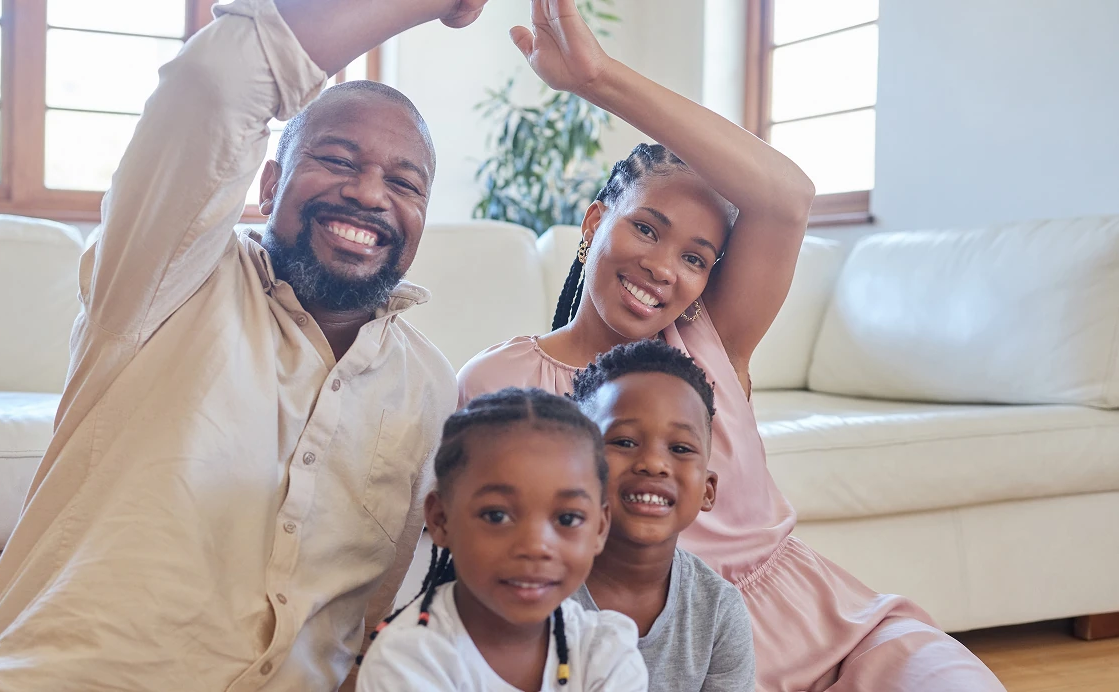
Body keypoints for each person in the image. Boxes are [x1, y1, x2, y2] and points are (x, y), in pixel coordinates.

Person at [0, 0, 494, 690]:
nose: (368, 194)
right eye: (336, 160)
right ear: (268, 185)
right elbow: (213, 86)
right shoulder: (168, 276)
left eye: (403, 183)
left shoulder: (430, 385)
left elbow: (362, 632)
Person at [459, 0, 1006, 689]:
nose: (664, 268)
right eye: (648, 230)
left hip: (833, 631)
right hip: (661, 655)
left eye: (697, 257)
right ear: (596, 221)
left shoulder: (708, 340)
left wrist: (597, 78)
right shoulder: (496, 379)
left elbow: (787, 198)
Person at [358, 389, 647, 691]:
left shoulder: (606, 653)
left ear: (600, 528)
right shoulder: (406, 661)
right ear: (442, 519)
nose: (536, 546)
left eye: (567, 519)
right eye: (497, 516)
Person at [568, 341, 755, 692]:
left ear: (707, 490)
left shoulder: (718, 611)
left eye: (680, 448)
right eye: (623, 442)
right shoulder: (533, 588)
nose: (654, 463)